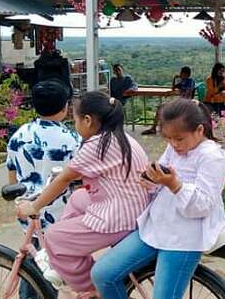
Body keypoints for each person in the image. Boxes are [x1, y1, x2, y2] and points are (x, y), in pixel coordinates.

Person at [15, 91, 150, 297]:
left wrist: (34, 206)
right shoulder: (121, 138)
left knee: (54, 237)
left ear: (87, 120)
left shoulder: (97, 145)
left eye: (75, 120)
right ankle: (72, 255)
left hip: (119, 217)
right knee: (78, 198)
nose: (75, 125)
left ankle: (91, 287)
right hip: (133, 206)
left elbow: (65, 178)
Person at [91, 99, 225, 298]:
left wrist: (174, 185)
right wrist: (152, 180)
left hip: (186, 238)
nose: (173, 144)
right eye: (169, 139)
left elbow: (204, 205)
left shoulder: (212, 157)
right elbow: (162, 172)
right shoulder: (174, 148)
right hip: (157, 226)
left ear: (199, 130)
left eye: (179, 139)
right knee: (103, 274)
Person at [6, 79, 81, 299]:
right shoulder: (72, 140)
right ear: (65, 107)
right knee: (58, 273)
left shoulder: (18, 135)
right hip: (61, 217)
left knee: (32, 266)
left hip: (27, 212)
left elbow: (12, 176)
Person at [142, 66, 195, 135]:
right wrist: (174, 79)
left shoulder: (190, 81)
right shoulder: (183, 82)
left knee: (163, 108)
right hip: (179, 102)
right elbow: (173, 88)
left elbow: (189, 94)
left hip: (184, 103)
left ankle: (160, 128)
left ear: (186, 74)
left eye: (181, 73)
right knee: (160, 108)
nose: (180, 74)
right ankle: (154, 128)